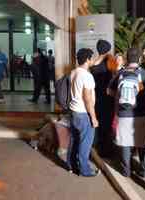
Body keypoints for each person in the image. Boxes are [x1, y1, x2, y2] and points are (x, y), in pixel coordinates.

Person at [108, 48, 145, 178]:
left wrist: (120, 96)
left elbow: (108, 91)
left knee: (126, 143)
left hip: (124, 114)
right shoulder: (144, 73)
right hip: (141, 114)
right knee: (143, 143)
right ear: (139, 59)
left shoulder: (120, 74)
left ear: (126, 59)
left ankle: (126, 171)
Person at [67, 48, 100, 177]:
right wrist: (94, 117)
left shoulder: (74, 72)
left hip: (74, 111)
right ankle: (85, 170)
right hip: (84, 113)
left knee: (74, 140)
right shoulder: (86, 76)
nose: (92, 60)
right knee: (85, 143)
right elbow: (87, 98)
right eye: (91, 58)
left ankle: (71, 165)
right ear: (87, 59)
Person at [91, 39, 115, 157]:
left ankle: (96, 147)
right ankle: (106, 151)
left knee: (98, 123)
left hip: (96, 97)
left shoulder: (93, 63)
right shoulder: (108, 62)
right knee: (106, 124)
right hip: (107, 97)